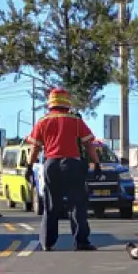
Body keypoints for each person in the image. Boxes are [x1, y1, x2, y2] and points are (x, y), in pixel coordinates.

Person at [24, 88, 100, 251]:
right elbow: (89, 144)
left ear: (50, 103)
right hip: (72, 164)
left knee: (51, 204)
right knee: (77, 204)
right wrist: (97, 163)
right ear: (67, 102)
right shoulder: (76, 121)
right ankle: (81, 241)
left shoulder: (43, 121)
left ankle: (47, 242)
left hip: (51, 165)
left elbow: (35, 148)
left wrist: (29, 167)